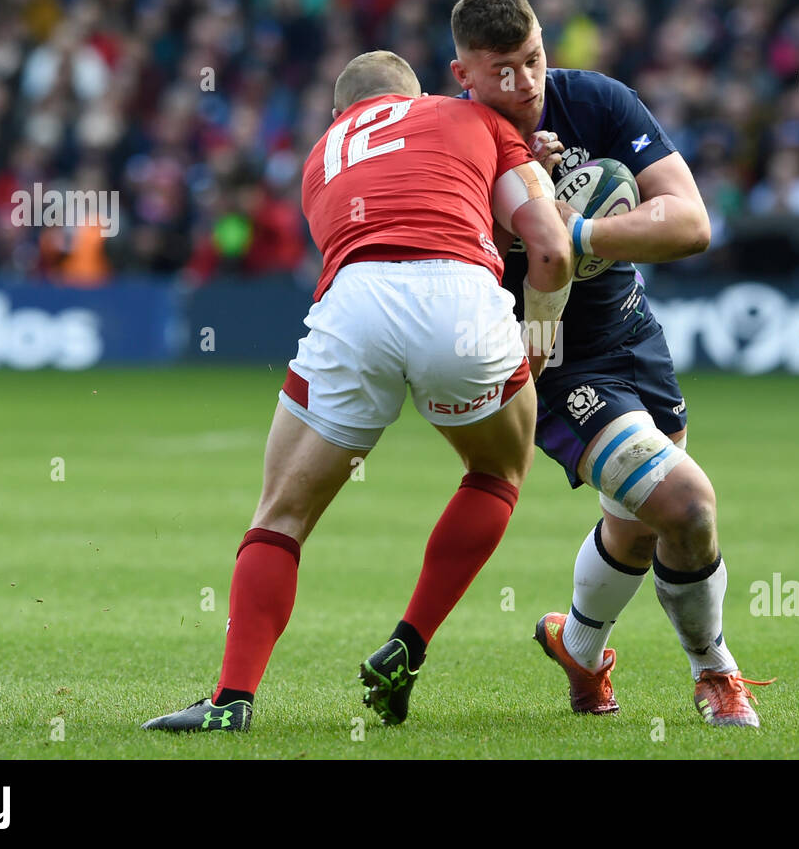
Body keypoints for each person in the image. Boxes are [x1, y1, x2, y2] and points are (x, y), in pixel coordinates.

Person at [142, 50, 572, 732]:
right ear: (419, 94)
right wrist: (538, 340)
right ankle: (409, 642)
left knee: (279, 514)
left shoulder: (322, 155)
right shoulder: (469, 116)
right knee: (496, 473)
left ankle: (231, 702)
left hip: (356, 301)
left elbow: (390, 221)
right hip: (461, 300)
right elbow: (546, 247)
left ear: (342, 114)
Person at [447, 0, 774, 727]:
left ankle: (581, 652)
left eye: (532, 59)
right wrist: (522, 209)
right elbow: (458, 266)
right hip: (553, 359)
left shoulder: (596, 101)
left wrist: (579, 230)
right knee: (685, 505)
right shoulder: (452, 140)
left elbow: (691, 223)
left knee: (636, 521)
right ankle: (715, 670)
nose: (524, 83)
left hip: (634, 335)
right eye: (502, 70)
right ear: (462, 73)